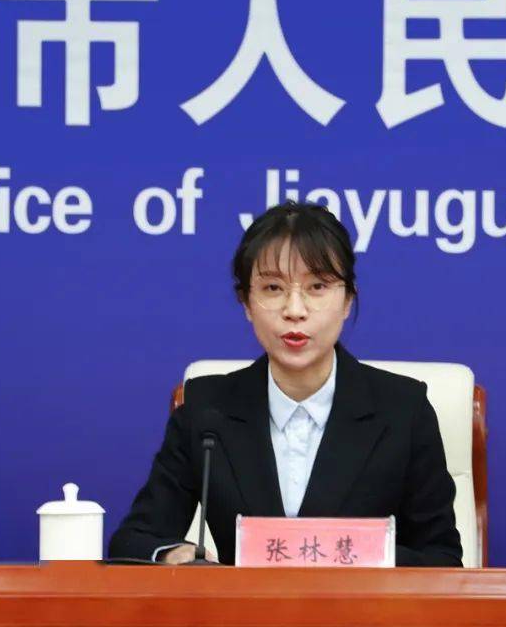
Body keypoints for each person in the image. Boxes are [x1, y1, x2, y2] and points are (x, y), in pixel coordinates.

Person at [108, 202, 462, 567]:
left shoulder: (404, 411)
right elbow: (134, 540)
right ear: (247, 303)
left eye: (317, 286)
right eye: (273, 287)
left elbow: (443, 561)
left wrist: (361, 556)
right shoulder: (207, 412)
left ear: (347, 300)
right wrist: (174, 554)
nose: (294, 309)